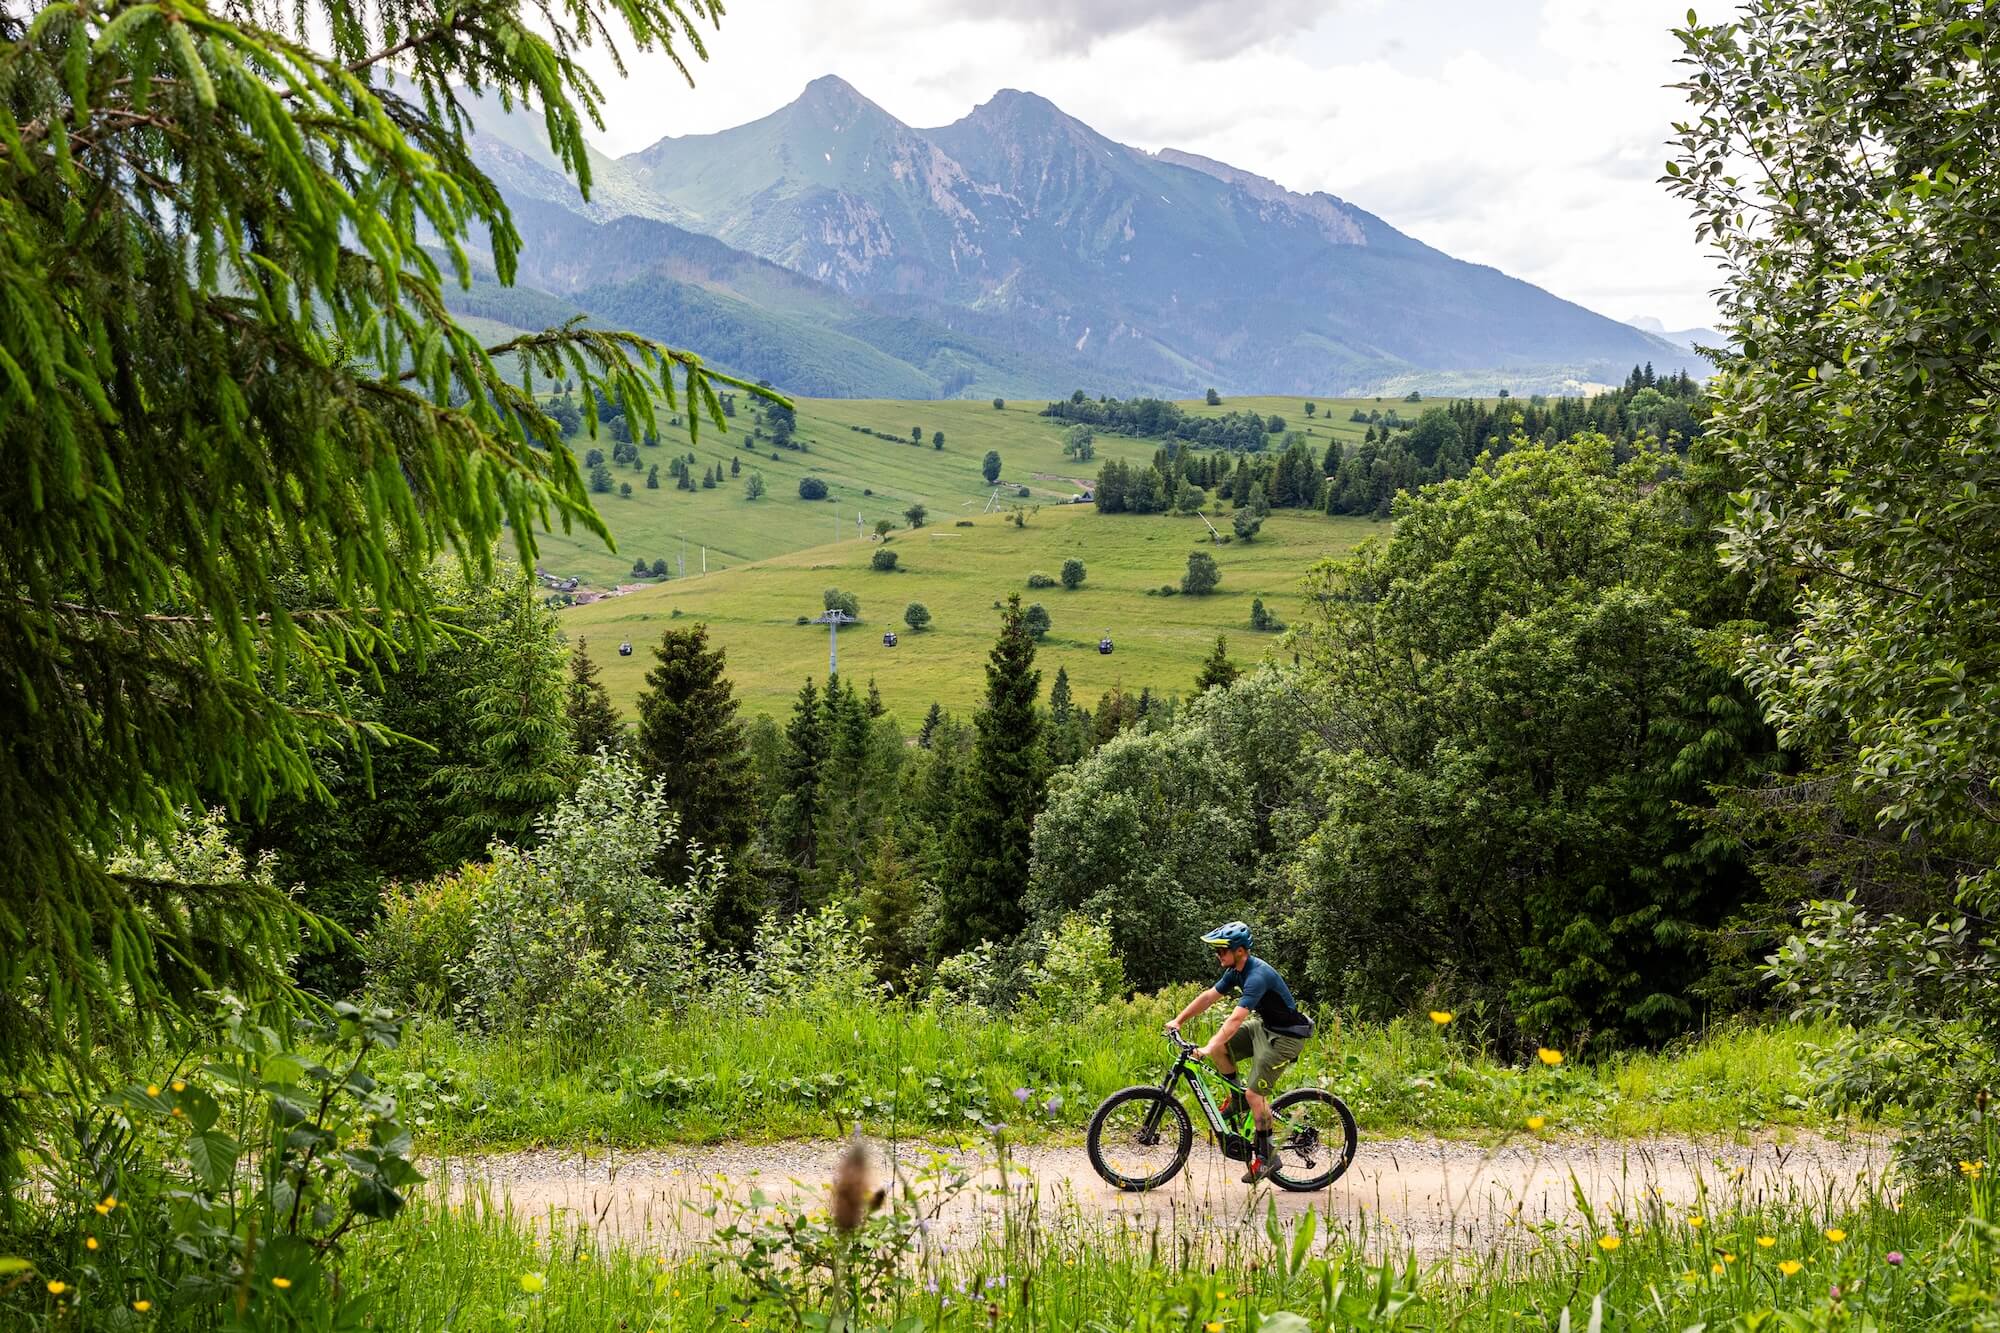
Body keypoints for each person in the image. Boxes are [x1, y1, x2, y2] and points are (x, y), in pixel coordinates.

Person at [1166, 921, 1314, 1183]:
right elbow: (1208, 997)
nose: (1218, 955)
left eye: (1222, 950)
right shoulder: (1236, 971)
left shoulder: (1257, 976)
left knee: (1255, 1095)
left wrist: (1208, 1046)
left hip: (1287, 1038)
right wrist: (1179, 1020)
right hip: (1265, 1028)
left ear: (1240, 951)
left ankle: (1269, 1158)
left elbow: (1234, 1021)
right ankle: (1237, 1101)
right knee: (1222, 1049)